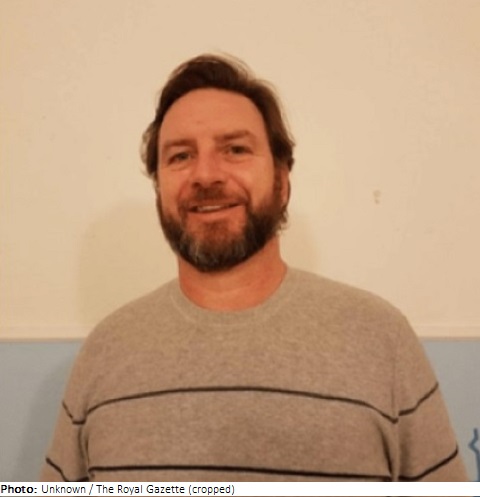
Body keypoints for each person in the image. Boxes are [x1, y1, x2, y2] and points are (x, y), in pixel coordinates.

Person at [41, 54, 467, 482]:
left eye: (236, 149)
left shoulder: (382, 340)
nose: (205, 175)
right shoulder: (104, 352)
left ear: (282, 180)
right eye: (180, 156)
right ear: (158, 187)